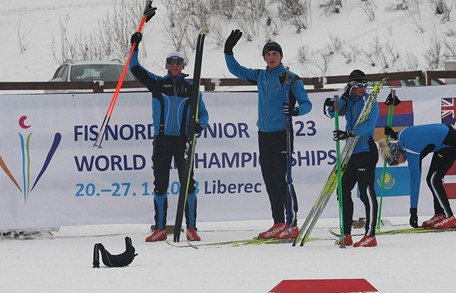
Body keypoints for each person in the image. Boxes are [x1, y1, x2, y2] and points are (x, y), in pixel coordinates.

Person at [223, 29, 312, 239]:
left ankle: (292, 224)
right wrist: (228, 50)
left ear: (281, 56)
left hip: (283, 133)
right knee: (270, 179)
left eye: (275, 54)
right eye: (268, 54)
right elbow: (237, 70)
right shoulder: (260, 75)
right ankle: (278, 222)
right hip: (264, 135)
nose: (271, 57)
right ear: (264, 57)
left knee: (284, 179)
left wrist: (297, 111)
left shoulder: (291, 78)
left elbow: (307, 103)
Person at [129, 12, 209, 243]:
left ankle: (191, 227)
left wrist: (199, 126)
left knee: (188, 184)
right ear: (166, 65)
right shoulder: (157, 83)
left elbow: (202, 114)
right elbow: (134, 68)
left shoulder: (191, 87)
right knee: (160, 184)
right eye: (171, 62)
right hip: (163, 140)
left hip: (184, 140)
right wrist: (134, 45)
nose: (175, 65)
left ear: (183, 65)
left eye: (178, 62)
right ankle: (160, 228)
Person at [323, 70, 381, 247]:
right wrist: (342, 99)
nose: (363, 89)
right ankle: (346, 234)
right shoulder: (349, 101)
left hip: (365, 150)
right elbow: (332, 113)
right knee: (342, 190)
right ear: (351, 87)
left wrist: (350, 132)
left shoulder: (369, 101)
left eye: (365, 85)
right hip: (350, 152)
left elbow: (370, 124)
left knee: (365, 192)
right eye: (359, 86)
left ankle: (370, 235)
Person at [378, 123, 456, 229]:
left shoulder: (411, 152)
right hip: (443, 142)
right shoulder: (401, 136)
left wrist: (413, 212)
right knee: (431, 179)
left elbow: (415, 182)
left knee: (434, 180)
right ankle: (439, 214)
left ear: (398, 154)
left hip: (454, 143)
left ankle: (449, 217)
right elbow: (412, 134)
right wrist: (393, 134)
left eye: (395, 162)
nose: (398, 164)